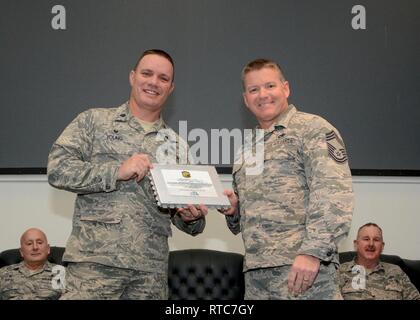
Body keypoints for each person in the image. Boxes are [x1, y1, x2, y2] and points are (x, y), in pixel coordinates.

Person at [47, 49, 207, 299]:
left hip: (149, 273)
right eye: (147, 73)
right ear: (133, 77)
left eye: (163, 78)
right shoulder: (94, 121)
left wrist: (190, 216)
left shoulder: (178, 147)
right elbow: (57, 169)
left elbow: (190, 222)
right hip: (95, 264)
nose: (154, 82)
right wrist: (115, 171)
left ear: (171, 88)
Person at [219, 58, 354, 299]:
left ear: (286, 88)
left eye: (270, 86)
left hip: (305, 274)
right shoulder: (246, 149)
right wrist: (234, 211)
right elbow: (248, 218)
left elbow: (334, 196)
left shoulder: (313, 129)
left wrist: (313, 252)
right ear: (246, 99)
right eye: (253, 89)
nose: (263, 95)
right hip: (256, 279)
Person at [340, 222, 420, 300]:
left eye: (376, 240)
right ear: (356, 244)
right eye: (366, 239)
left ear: (382, 246)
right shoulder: (339, 272)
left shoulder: (396, 272)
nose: (371, 244)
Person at [0, 228, 65, 300]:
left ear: (48, 249)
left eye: (39, 243)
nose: (35, 247)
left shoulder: (60, 272)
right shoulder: (3, 273)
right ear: (21, 251)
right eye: (29, 244)